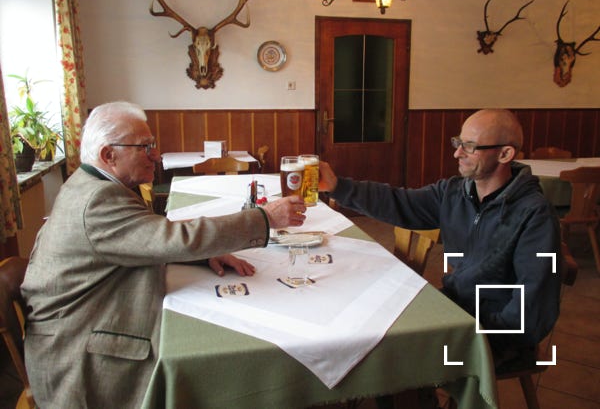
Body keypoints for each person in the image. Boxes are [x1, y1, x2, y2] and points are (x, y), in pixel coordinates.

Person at [21, 101, 307, 408]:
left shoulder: (91, 184)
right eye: (144, 147)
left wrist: (204, 254)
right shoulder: (98, 199)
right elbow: (174, 238)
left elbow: (143, 239)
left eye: (153, 145)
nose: (156, 155)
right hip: (78, 357)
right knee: (218, 355)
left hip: (79, 325)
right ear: (108, 155)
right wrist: (265, 217)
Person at [319, 108, 562, 369]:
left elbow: (533, 308)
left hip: (497, 335)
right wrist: (338, 187)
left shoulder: (534, 214)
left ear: (505, 154)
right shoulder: (455, 192)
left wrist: (475, 339)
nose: (457, 153)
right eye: (458, 143)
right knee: (367, 328)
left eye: (470, 147)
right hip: (455, 308)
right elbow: (399, 202)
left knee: (389, 358)